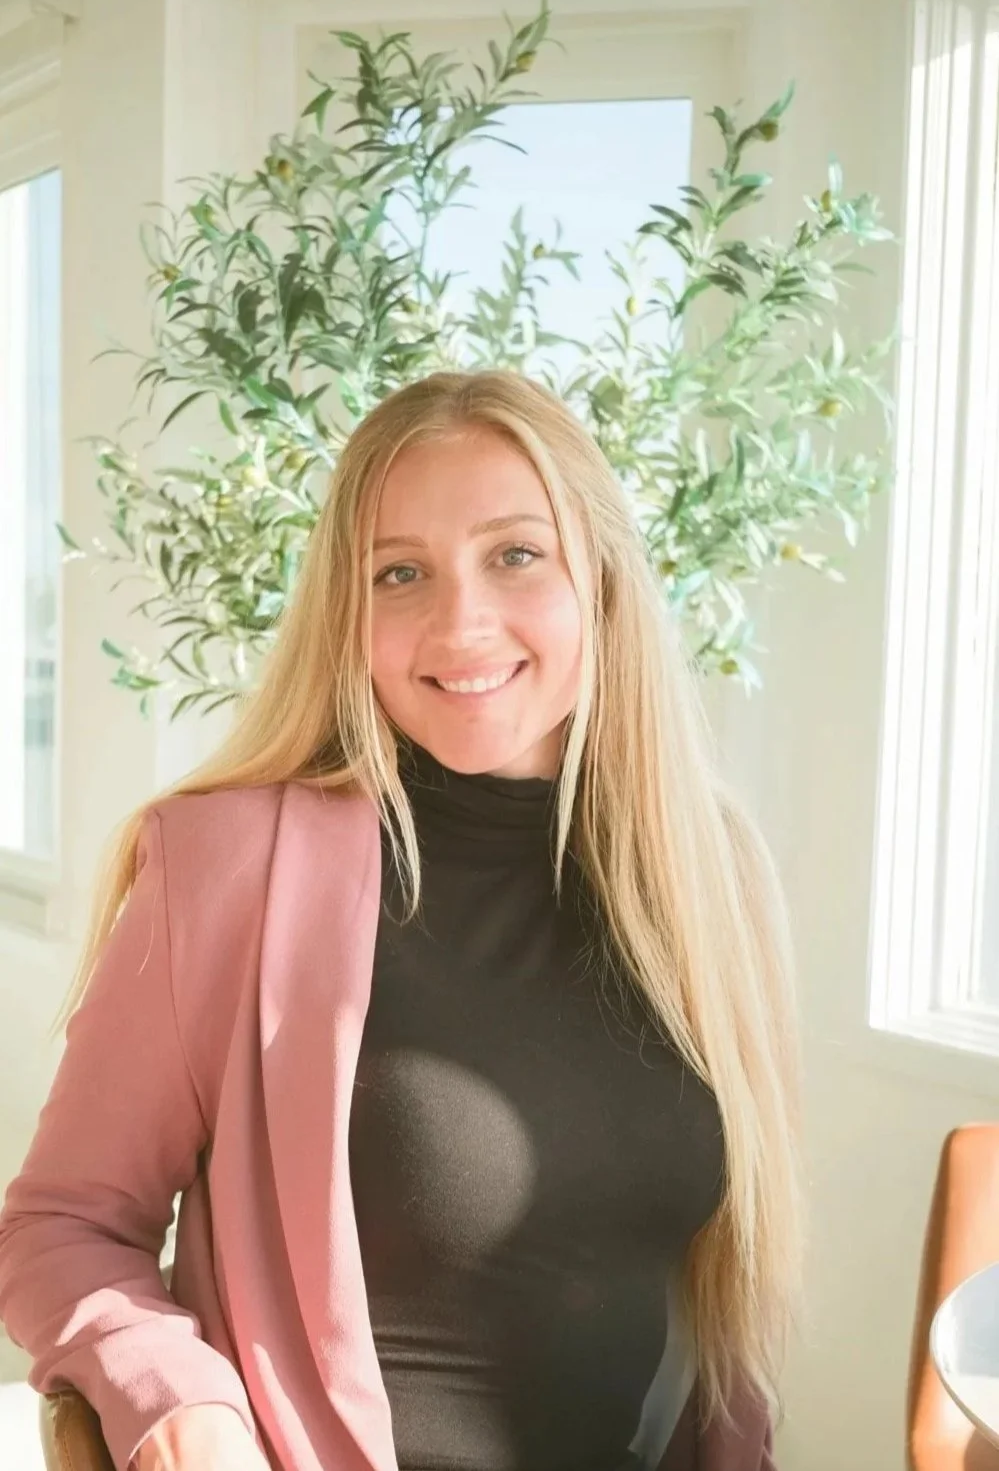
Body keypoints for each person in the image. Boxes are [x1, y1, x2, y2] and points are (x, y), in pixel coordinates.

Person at [0, 370, 803, 1471]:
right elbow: (60, 1226)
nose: (461, 620)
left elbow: (719, 1318)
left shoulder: (714, 877)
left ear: (602, 578)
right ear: (348, 610)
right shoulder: (229, 865)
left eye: (516, 553)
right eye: (400, 572)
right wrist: (178, 1398)